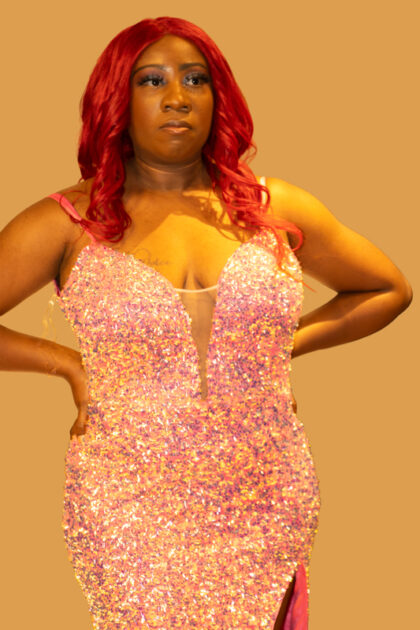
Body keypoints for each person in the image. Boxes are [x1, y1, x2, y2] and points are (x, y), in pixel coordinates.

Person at [0, 15, 412, 630]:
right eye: (151, 80)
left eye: (195, 79)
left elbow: (388, 289)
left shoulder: (273, 208)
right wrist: (66, 364)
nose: (177, 97)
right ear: (116, 99)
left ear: (219, 98)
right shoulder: (68, 220)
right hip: (130, 500)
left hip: (263, 490)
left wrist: (278, 349)